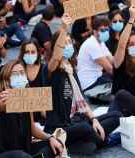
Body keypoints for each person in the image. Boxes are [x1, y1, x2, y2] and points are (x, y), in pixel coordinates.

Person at [44, 14, 122, 149]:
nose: (67, 46)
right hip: (60, 127)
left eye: (69, 42)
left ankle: (91, 139)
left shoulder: (71, 69)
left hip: (78, 118)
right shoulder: (51, 69)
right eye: (64, 43)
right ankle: (105, 140)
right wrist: (63, 28)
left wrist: (94, 120)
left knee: (117, 115)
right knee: (84, 129)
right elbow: (56, 57)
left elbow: (83, 101)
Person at [0, 60, 63, 158]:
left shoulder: (26, 100)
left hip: (23, 150)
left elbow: (32, 129)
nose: (20, 76)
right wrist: (5, 102)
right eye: (15, 74)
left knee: (54, 145)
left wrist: (50, 137)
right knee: (22, 156)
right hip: (0, 154)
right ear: (6, 80)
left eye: (22, 73)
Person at [77, 16, 115, 94]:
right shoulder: (92, 44)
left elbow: (112, 60)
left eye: (107, 29)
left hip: (97, 78)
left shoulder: (100, 42)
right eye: (102, 30)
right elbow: (109, 68)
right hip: (89, 84)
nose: (105, 32)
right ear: (95, 31)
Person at [18, 39, 47, 123]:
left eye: (33, 52)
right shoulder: (17, 69)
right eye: (27, 52)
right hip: (22, 116)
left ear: (38, 53)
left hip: (42, 117)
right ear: (22, 53)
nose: (30, 54)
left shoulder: (44, 69)